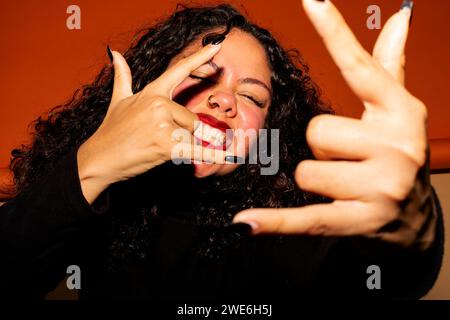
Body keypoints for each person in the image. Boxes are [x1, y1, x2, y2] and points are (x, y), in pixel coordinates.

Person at [0, 1, 443, 300]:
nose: (226, 100)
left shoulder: (294, 220)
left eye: (252, 97)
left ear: (270, 131)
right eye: (204, 76)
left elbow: (388, 280)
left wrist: (413, 229)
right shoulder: (106, 207)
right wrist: (94, 164)